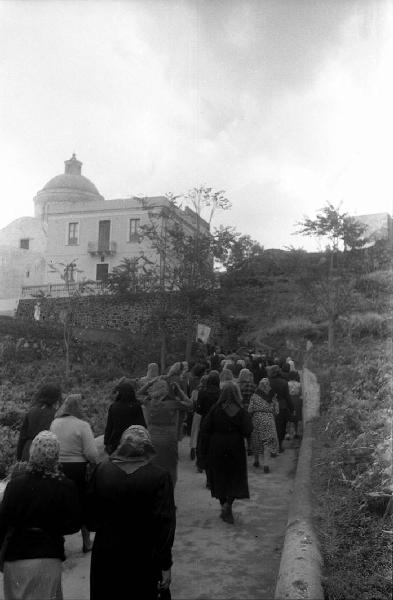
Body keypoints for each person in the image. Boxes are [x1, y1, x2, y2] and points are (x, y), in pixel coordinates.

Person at [87, 426, 176, 600]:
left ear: (121, 445)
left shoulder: (102, 471)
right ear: (148, 448)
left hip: (107, 554)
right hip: (144, 556)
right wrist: (165, 564)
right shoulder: (159, 477)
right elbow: (165, 526)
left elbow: (91, 518)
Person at [0, 431, 81, 600]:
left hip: (16, 556)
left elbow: (3, 521)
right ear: (56, 455)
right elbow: (74, 524)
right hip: (48, 555)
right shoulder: (65, 486)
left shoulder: (15, 485)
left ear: (33, 453)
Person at [50, 394, 98, 553]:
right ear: (78, 407)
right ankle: (86, 542)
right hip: (78, 469)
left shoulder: (55, 423)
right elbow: (91, 453)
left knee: (59, 505)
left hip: (58, 468)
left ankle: (59, 544)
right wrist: (93, 465)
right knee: (83, 503)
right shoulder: (82, 425)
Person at [200, 382, 253, 524]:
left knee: (220, 477)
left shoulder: (215, 409)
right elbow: (248, 430)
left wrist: (203, 450)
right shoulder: (240, 411)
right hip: (235, 447)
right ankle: (228, 504)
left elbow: (205, 429)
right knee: (235, 477)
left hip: (216, 446)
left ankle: (223, 504)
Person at [143, 379, 192, 487]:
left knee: (153, 467)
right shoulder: (172, 404)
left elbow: (137, 394)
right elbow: (190, 404)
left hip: (152, 439)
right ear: (166, 391)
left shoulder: (148, 403)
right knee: (170, 467)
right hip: (169, 439)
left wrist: (150, 383)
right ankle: (169, 492)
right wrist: (179, 390)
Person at [16, 383, 62, 461]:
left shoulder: (31, 411)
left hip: (28, 450)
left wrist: (19, 457)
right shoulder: (56, 414)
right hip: (46, 452)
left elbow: (22, 437)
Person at [104, 380, 146, 455]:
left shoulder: (114, 407)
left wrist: (107, 442)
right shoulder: (136, 406)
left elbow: (109, 427)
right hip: (134, 442)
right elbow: (142, 425)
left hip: (117, 442)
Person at [248, 379, 279, 473]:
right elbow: (277, 411)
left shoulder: (254, 395)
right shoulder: (273, 396)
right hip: (269, 419)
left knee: (257, 440)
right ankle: (266, 464)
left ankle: (256, 461)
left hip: (257, 419)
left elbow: (250, 409)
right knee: (267, 442)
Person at [195, 371, 220, 484]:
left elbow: (198, 410)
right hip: (218, 423)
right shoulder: (221, 393)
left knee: (203, 445)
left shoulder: (202, 392)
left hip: (205, 421)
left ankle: (201, 464)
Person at [268, 365, 294, 453]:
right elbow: (287, 397)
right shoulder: (283, 382)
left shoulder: (266, 382)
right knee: (281, 427)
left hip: (269, 406)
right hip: (281, 406)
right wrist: (291, 407)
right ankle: (279, 445)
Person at [238, 368, 256, 455]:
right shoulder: (251, 385)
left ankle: (240, 447)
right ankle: (249, 447)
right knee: (249, 429)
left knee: (239, 429)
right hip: (249, 409)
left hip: (238, 409)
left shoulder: (236, 385)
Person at [288, 372, 303, 439]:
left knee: (289, 417)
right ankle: (296, 432)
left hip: (289, 400)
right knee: (296, 417)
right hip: (297, 400)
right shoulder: (299, 384)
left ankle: (288, 433)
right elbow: (300, 393)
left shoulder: (287, 383)